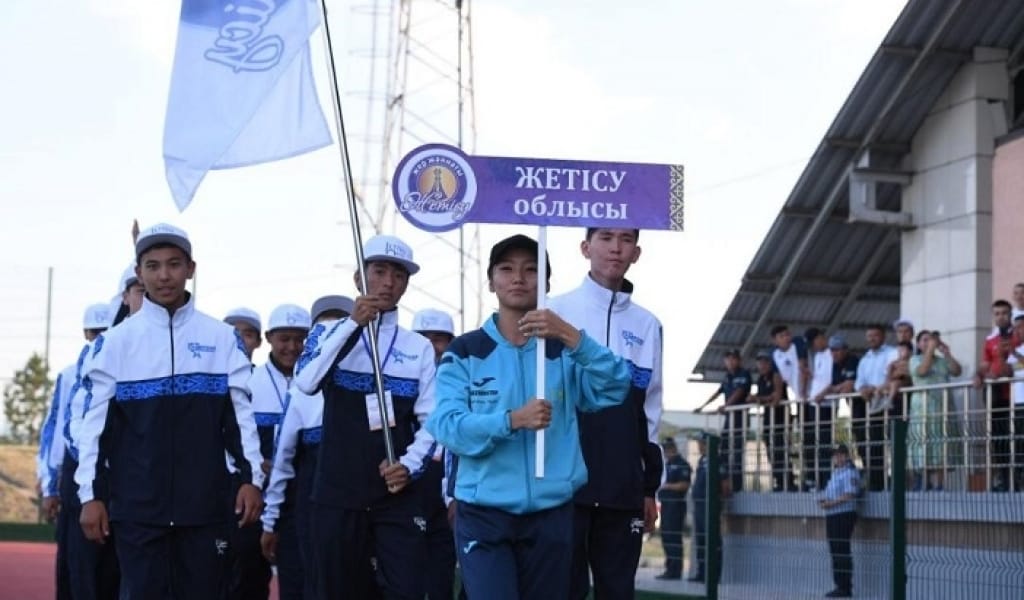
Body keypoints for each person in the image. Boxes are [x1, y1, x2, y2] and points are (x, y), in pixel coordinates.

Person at [426, 234, 632, 600]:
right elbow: (446, 427)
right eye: (506, 269)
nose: (518, 278)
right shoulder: (466, 351)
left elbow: (616, 386)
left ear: (547, 284)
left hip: (552, 512)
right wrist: (511, 420)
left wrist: (570, 335)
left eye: (532, 269)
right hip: (483, 513)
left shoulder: (562, 351)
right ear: (491, 281)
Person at [75, 223, 265, 599]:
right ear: (139, 273)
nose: (164, 275)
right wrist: (90, 496)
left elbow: (240, 418)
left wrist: (251, 478)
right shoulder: (114, 344)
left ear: (191, 268)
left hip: (206, 508)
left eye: (174, 264)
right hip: (137, 510)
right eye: (153, 265)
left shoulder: (221, 339)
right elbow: (94, 430)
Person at [292, 234, 438, 599]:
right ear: (360, 277)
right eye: (379, 271)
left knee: (405, 589)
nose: (388, 282)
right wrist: (352, 324)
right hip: (337, 493)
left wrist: (408, 465)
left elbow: (432, 419)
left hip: (396, 493)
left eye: (399, 275)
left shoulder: (417, 347)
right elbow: (306, 382)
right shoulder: (328, 332)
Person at [547, 227, 665, 599]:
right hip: (563, 485)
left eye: (626, 240)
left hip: (622, 489)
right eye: (606, 238)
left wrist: (649, 488)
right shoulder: (553, 310)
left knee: (617, 592)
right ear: (585, 247)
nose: (616, 248)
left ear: (637, 252)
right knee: (563, 589)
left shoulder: (649, 324)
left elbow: (651, 410)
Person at [262, 295, 355, 600]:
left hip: (359, 510)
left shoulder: (375, 387)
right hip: (308, 511)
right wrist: (270, 519)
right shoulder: (302, 391)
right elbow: (282, 462)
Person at [37, 302, 114, 600]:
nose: (100, 338)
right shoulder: (70, 375)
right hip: (77, 478)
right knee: (76, 568)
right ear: (85, 333)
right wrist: (50, 482)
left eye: (105, 332)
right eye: (95, 332)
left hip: (118, 481)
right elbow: (55, 428)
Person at [243, 304, 311, 600]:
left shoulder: (315, 383)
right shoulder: (249, 382)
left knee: (300, 580)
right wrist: (258, 464)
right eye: (284, 338)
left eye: (299, 339)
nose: (292, 347)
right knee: (248, 579)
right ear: (269, 338)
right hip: (254, 497)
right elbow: (231, 440)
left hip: (300, 499)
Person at [410, 308, 458, 600]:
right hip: (413, 477)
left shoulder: (461, 377)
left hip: (449, 477)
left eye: (439, 339)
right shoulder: (401, 375)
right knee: (407, 566)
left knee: (443, 564)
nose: (431, 346)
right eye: (424, 339)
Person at [909, 330, 963, 492]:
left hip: (943, 408)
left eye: (931, 340)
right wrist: (930, 350)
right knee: (923, 443)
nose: (928, 343)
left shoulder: (941, 361)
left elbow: (956, 371)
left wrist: (946, 353)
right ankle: (925, 482)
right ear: (918, 344)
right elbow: (922, 371)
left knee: (942, 444)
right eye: (924, 340)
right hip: (923, 410)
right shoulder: (914, 359)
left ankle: (940, 484)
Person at [695, 350, 750, 491]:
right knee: (724, 448)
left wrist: (726, 405)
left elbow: (739, 392)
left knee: (737, 451)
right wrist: (702, 406)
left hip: (739, 417)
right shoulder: (727, 377)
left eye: (733, 359)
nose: (730, 362)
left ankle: (737, 484)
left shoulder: (744, 374)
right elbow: (718, 392)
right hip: (728, 417)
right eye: (728, 359)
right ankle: (724, 479)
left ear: (739, 360)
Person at [976, 300, 1017, 491]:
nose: (1001, 317)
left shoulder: (1018, 335)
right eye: (997, 313)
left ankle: (1017, 478)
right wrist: (979, 375)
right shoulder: (990, 339)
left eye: (1005, 313)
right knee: (998, 437)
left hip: (1015, 394)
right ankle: (1003, 478)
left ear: (1011, 315)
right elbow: (985, 363)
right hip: (995, 394)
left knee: (1016, 436)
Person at [853, 325, 897, 491]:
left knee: (893, 442)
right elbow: (859, 382)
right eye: (869, 336)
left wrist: (875, 388)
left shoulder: (891, 353)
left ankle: (896, 480)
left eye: (875, 335)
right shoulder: (865, 358)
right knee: (875, 443)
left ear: (883, 336)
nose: (872, 339)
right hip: (873, 406)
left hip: (890, 402)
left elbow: (891, 376)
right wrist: (862, 389)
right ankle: (878, 482)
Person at [818, 445, 860, 598]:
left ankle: (845, 586)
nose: (835, 458)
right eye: (834, 456)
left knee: (842, 549)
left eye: (837, 455)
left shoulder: (849, 472)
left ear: (844, 456)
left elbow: (850, 494)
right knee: (835, 549)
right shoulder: (837, 473)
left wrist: (831, 503)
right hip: (833, 514)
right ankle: (839, 585)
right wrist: (825, 501)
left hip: (844, 514)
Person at [689, 432, 729, 583]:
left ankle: (713, 575)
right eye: (699, 443)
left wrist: (719, 501)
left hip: (710, 505)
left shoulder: (717, 460)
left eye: (702, 443)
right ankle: (702, 573)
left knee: (712, 540)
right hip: (699, 505)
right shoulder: (702, 460)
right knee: (701, 539)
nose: (699, 446)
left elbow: (725, 484)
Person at [753, 349, 793, 492]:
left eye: (765, 362)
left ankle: (788, 482)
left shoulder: (776, 375)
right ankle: (778, 481)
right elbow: (764, 398)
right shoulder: (760, 379)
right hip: (769, 418)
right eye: (760, 362)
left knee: (781, 450)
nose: (762, 365)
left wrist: (759, 398)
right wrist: (760, 399)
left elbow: (776, 397)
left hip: (781, 418)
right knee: (771, 450)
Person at [656, 437, 691, 580]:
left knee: (673, 536)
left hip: (676, 505)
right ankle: (669, 568)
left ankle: (675, 570)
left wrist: (667, 486)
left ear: (673, 448)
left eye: (667, 449)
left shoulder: (682, 464)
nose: (666, 452)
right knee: (666, 536)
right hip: (665, 504)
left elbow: (684, 485)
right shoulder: (667, 464)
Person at [805, 328, 834, 491]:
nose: (813, 346)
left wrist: (823, 394)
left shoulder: (831, 354)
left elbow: (833, 379)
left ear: (821, 338)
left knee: (824, 444)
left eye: (814, 342)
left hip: (826, 405)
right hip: (813, 403)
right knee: (813, 443)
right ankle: (815, 478)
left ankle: (825, 481)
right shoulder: (817, 356)